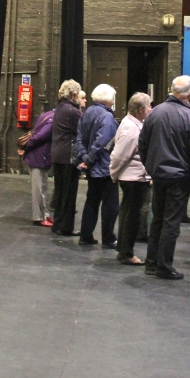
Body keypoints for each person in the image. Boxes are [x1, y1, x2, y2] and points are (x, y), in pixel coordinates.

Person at [138, 75, 190, 280]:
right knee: (171, 222)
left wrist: (151, 166)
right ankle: (164, 266)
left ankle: (151, 263)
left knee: (158, 219)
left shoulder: (155, 113)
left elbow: (143, 144)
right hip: (179, 178)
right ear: (189, 94)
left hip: (159, 175)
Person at [110, 92, 152, 265]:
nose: (151, 109)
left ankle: (123, 250)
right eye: (149, 106)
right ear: (141, 110)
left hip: (133, 176)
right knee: (132, 217)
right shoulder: (131, 128)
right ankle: (127, 253)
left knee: (128, 214)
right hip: (133, 178)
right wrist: (113, 173)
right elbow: (119, 155)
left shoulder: (133, 124)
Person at [76, 84, 119, 248]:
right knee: (111, 205)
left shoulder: (86, 113)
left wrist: (85, 158)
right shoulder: (107, 117)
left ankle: (86, 235)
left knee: (91, 202)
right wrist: (90, 160)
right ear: (108, 98)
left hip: (92, 167)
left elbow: (79, 138)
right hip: (104, 168)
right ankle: (108, 238)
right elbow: (102, 143)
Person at [51, 79, 83, 236]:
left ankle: (58, 224)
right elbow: (80, 131)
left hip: (58, 153)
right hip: (68, 156)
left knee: (60, 192)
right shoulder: (73, 111)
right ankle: (65, 227)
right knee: (69, 194)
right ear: (73, 94)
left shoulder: (60, 108)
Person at [19, 108, 55, 226]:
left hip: (38, 156)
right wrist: (26, 147)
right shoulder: (52, 121)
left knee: (42, 187)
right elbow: (38, 137)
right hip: (38, 156)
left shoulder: (47, 115)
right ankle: (39, 217)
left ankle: (44, 214)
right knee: (39, 188)